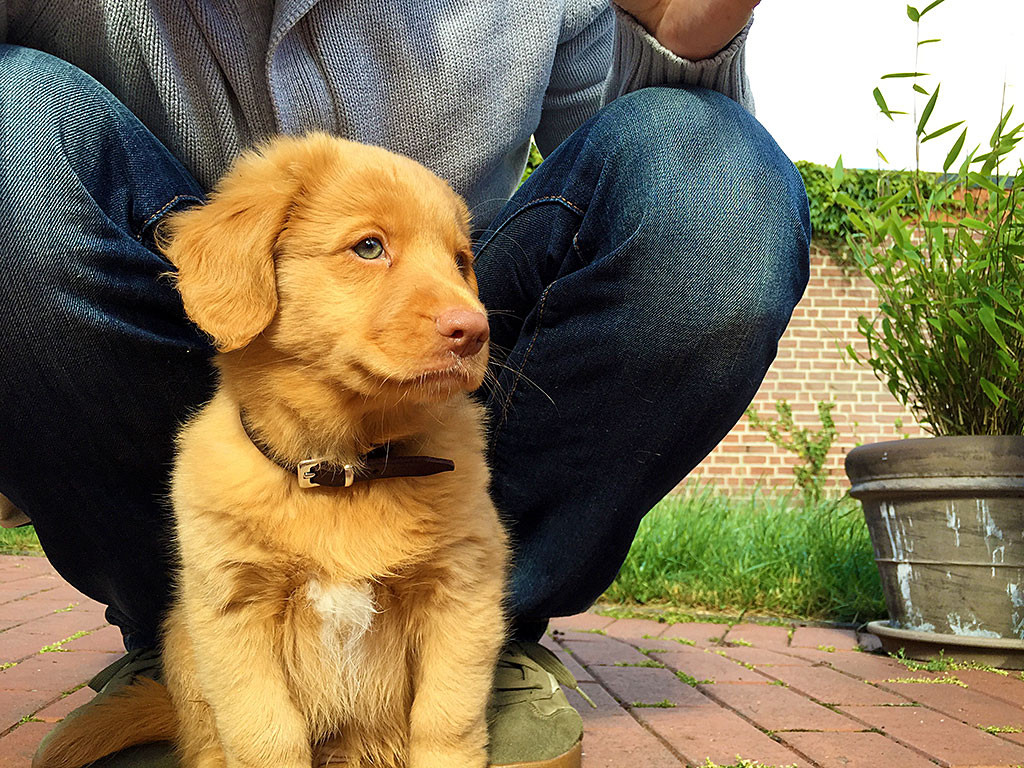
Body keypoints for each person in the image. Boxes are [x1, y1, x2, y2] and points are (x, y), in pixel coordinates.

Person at [0, 1, 810, 766]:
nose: (467, 312)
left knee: (714, 168)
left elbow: (652, 176)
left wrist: (683, 44)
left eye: (460, 269)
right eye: (368, 248)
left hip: (423, 427)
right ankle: (170, 645)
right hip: (190, 297)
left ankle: (494, 634)